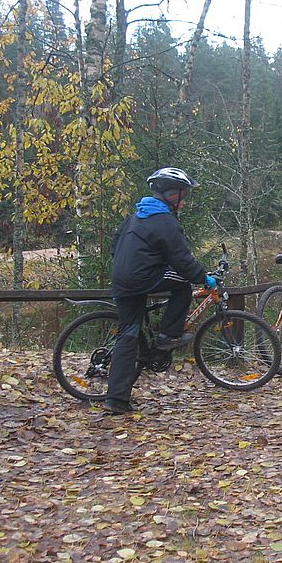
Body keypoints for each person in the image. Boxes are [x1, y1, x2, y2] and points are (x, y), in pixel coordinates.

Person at [103, 167, 216, 414]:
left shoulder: (135, 217)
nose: (184, 202)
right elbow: (183, 261)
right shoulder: (165, 221)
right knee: (183, 285)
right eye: (183, 196)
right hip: (142, 278)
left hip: (122, 280)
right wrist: (204, 278)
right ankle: (168, 335)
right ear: (171, 195)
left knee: (127, 335)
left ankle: (116, 399)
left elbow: (115, 245)